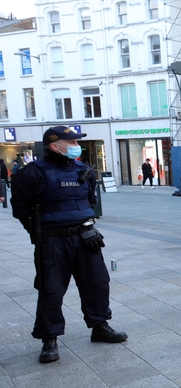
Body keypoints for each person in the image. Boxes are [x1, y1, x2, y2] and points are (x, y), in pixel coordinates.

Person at [11, 126, 127, 363]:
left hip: (86, 237)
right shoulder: (32, 173)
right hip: (52, 241)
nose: (77, 146)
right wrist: (42, 232)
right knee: (51, 290)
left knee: (97, 283)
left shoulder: (83, 170)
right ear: (55, 146)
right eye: (72, 142)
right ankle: (49, 339)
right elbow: (21, 209)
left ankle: (99, 326)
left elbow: (90, 201)